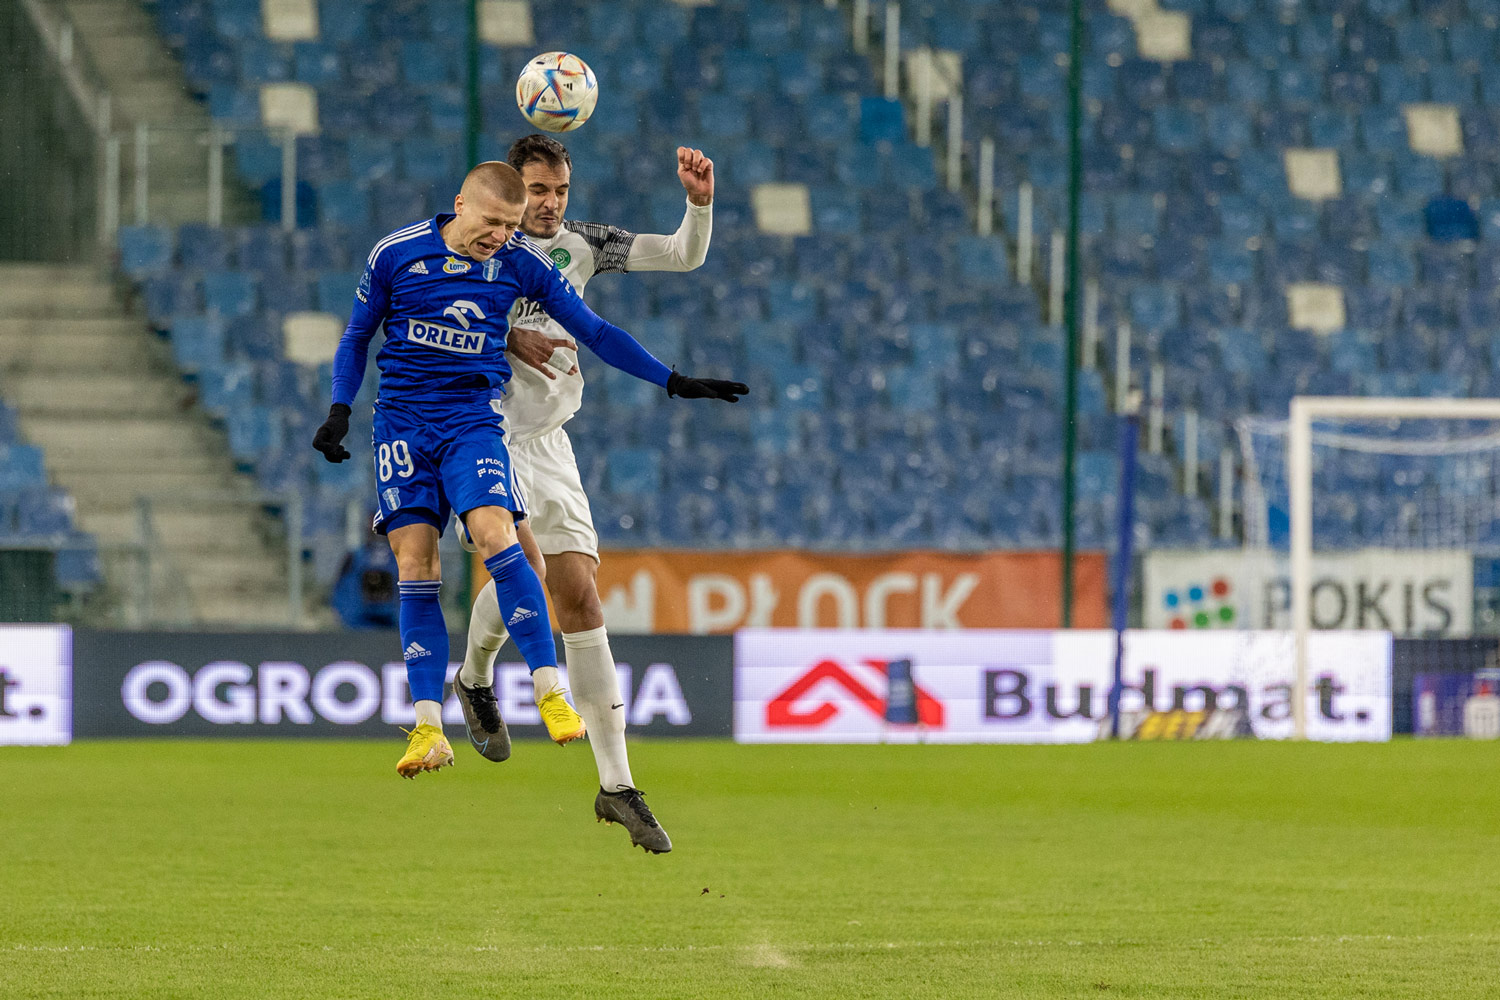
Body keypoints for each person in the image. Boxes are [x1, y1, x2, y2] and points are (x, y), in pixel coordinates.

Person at [310, 161, 747, 782]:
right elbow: (358, 335)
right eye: (492, 223)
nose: (500, 236)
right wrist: (337, 409)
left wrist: (671, 379)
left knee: (500, 538)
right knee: (416, 564)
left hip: (473, 423)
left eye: (510, 226)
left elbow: (594, 331)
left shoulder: (521, 260)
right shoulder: (395, 254)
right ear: (460, 203)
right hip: (401, 424)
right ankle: (429, 727)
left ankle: (548, 688)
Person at [450, 135, 716, 854]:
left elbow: (682, 255)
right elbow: (434, 315)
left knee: (582, 600)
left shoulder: (584, 244)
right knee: (526, 575)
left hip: (551, 442)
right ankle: (474, 679)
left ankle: (617, 786)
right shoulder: (472, 246)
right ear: (511, 188)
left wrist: (698, 205)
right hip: (480, 434)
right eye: (537, 190)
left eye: (560, 191)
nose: (550, 204)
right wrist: (509, 342)